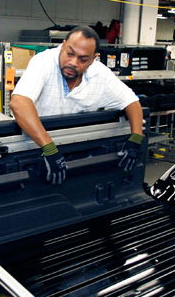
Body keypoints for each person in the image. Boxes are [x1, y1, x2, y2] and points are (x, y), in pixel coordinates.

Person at [10, 26, 144, 185]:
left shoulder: (100, 74)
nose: (73, 62)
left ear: (94, 58)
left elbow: (131, 102)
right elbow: (19, 103)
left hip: (75, 145)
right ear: (63, 44)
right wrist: (49, 149)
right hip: (34, 145)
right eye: (70, 53)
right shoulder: (43, 62)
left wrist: (135, 138)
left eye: (83, 59)